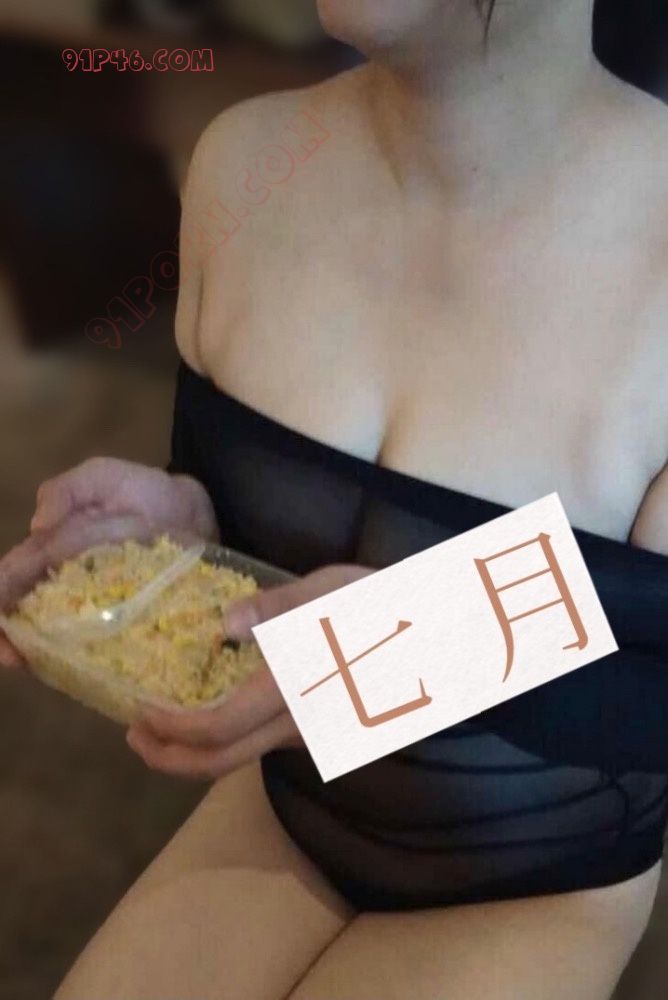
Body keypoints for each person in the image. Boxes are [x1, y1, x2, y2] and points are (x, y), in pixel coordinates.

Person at [1, 1, 667, 997]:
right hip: (292, 805)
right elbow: (240, 519)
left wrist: (396, 647)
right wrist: (179, 529)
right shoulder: (243, 162)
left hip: (539, 868)